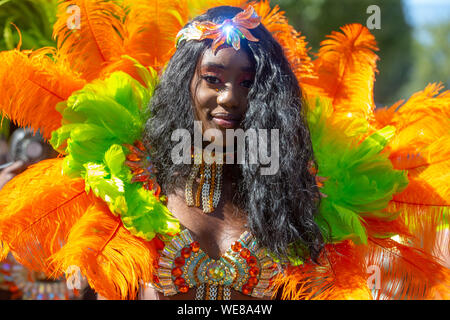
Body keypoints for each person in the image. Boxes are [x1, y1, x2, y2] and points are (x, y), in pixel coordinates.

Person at [0, 2, 448, 300]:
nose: (230, 98)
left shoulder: (308, 202)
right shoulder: (124, 194)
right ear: (185, 84)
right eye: (213, 78)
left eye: (249, 83)